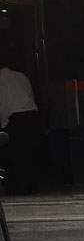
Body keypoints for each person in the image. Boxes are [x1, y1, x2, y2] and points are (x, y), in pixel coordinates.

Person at [0, 55, 40, 194]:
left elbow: (2, 104)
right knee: (29, 152)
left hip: (16, 118)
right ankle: (31, 186)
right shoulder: (21, 76)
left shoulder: (1, 80)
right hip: (32, 114)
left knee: (15, 154)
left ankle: (16, 187)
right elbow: (30, 95)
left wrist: (4, 124)